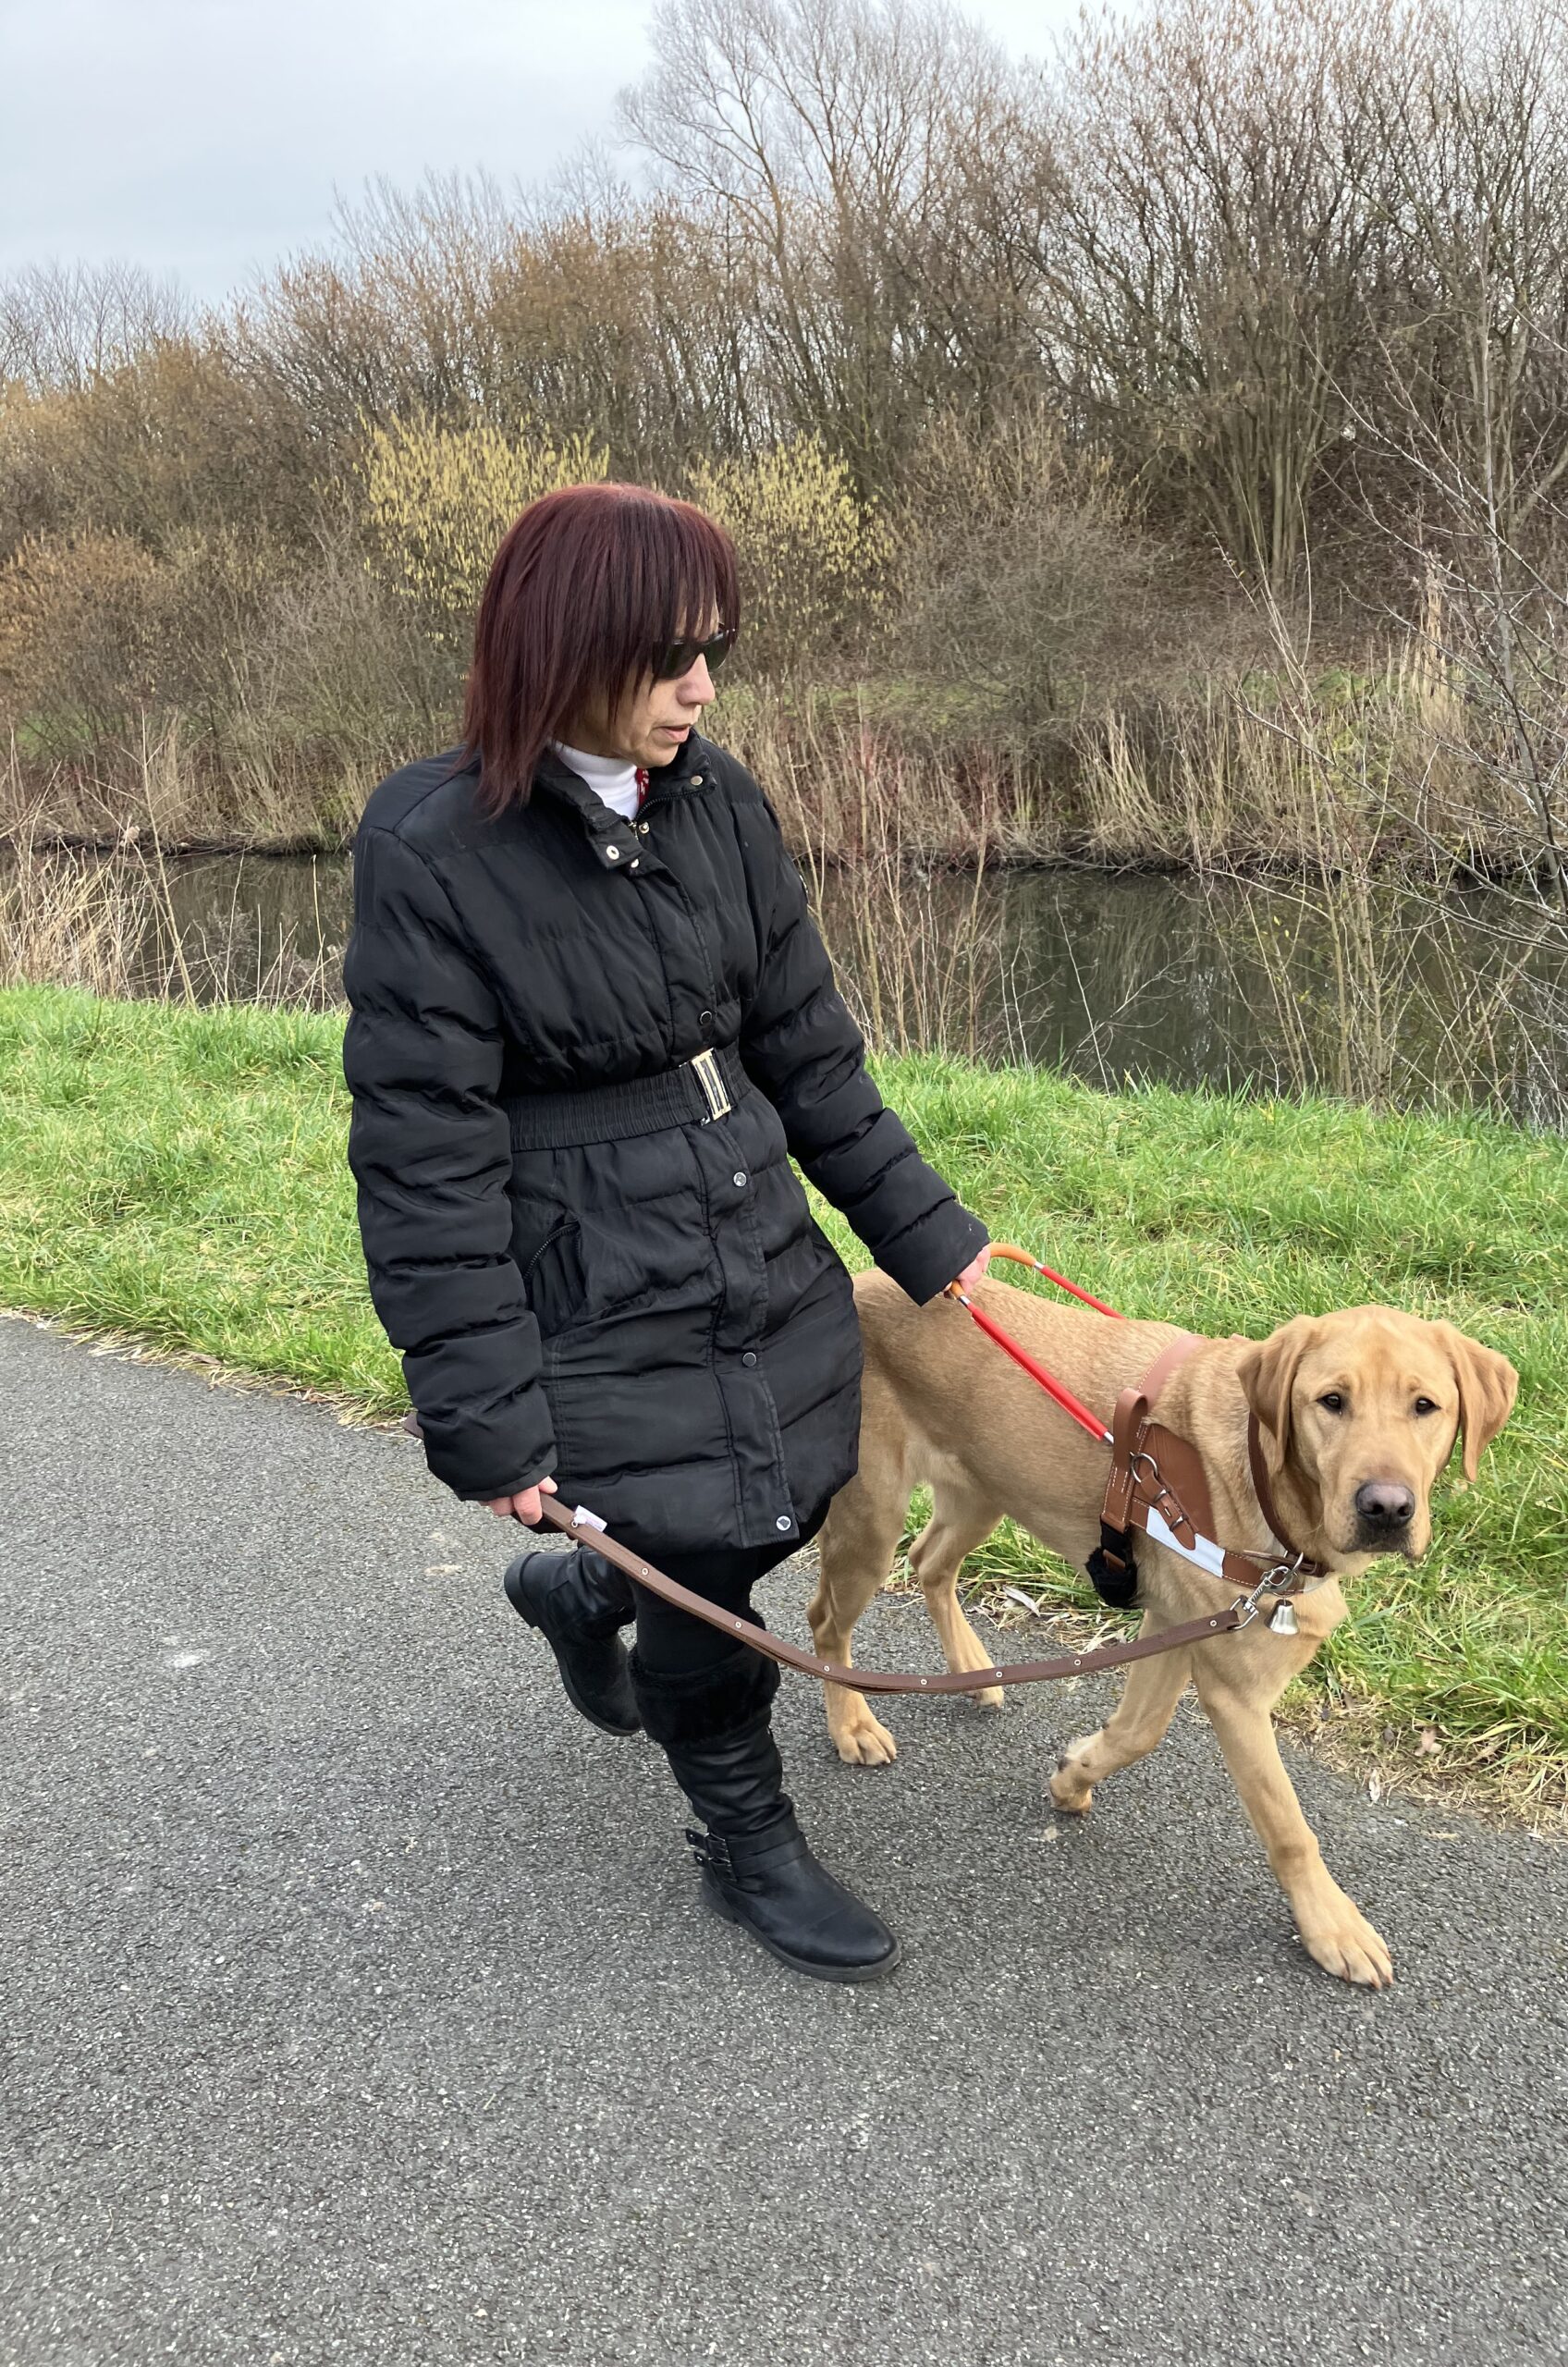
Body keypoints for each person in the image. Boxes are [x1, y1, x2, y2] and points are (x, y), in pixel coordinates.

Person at [340, 480, 990, 1984]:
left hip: (749, 1224)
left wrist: (927, 1235)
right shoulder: (432, 846)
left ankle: (583, 1586)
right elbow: (424, 1164)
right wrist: (488, 1419)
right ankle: (745, 1835)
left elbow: (810, 1051)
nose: (703, 686)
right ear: (568, 647)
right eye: (670, 654)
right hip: (586, 1271)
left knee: (777, 1497)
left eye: (716, 651)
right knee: (703, 1538)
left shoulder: (725, 802)